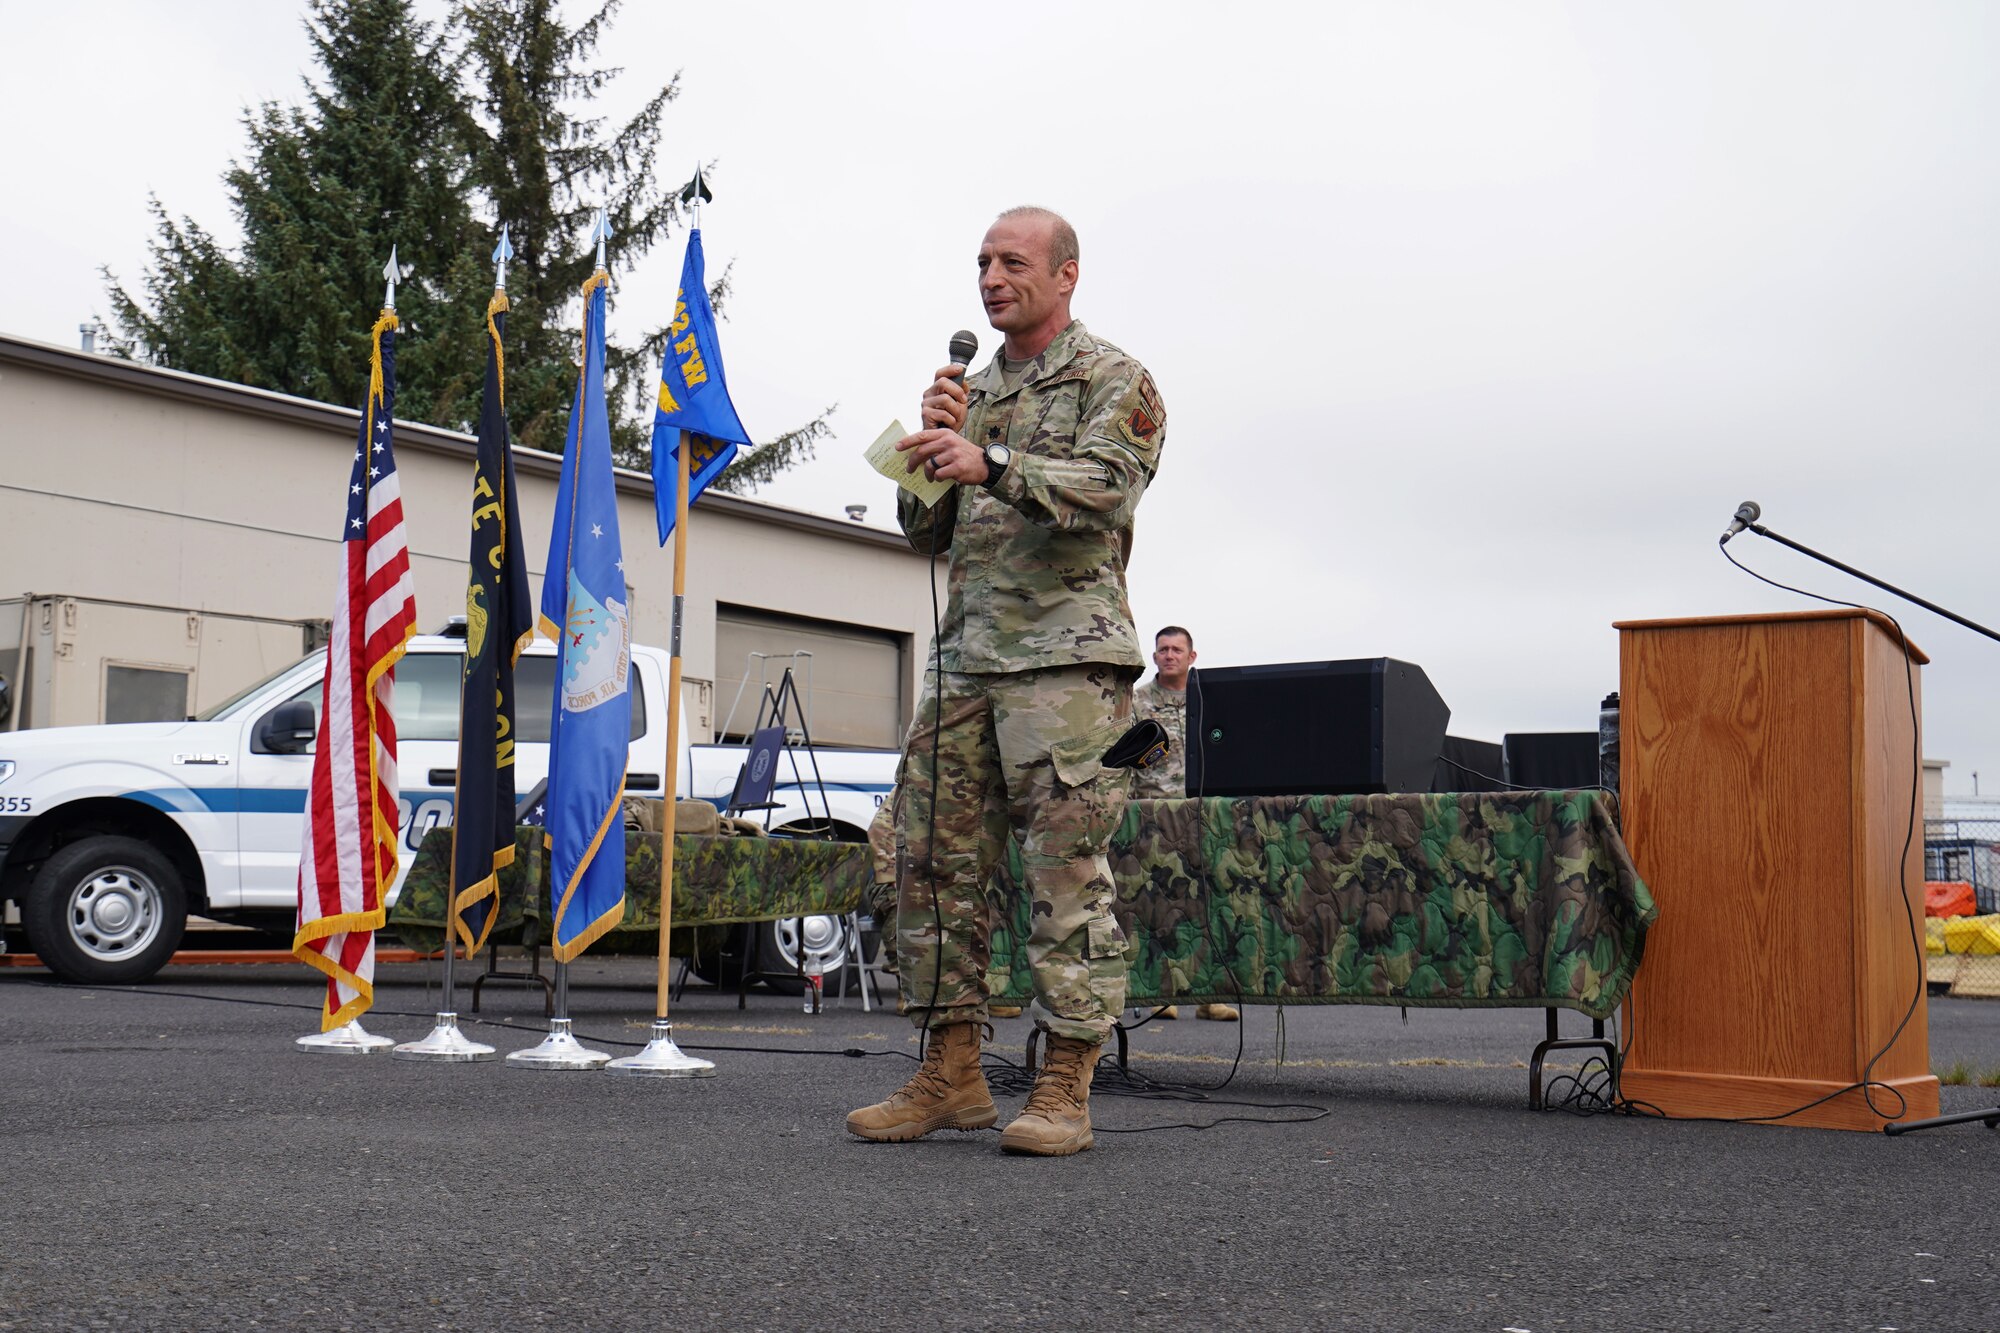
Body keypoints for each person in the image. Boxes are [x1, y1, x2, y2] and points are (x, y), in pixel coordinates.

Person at [846, 205, 1165, 1156]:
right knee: (931, 866)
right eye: (983, 261)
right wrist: (930, 453)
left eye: (1012, 261)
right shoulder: (968, 388)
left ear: (1066, 274)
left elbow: (1109, 484)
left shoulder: (1116, 377)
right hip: (965, 663)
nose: (992, 277)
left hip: (1066, 664)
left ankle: (1065, 1084)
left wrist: (991, 460)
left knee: (1066, 872)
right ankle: (951, 1074)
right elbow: (923, 532)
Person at [1130, 625, 1238, 1022]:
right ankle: (1161, 994)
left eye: (1177, 649)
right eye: (1162, 650)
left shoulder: (1211, 701)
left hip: (1204, 814)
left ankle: (1211, 997)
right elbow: (1123, 762)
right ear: (1155, 656)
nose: (1169, 655)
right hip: (1154, 815)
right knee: (1159, 906)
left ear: (1193, 656)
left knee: (1210, 905)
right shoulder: (1136, 704)